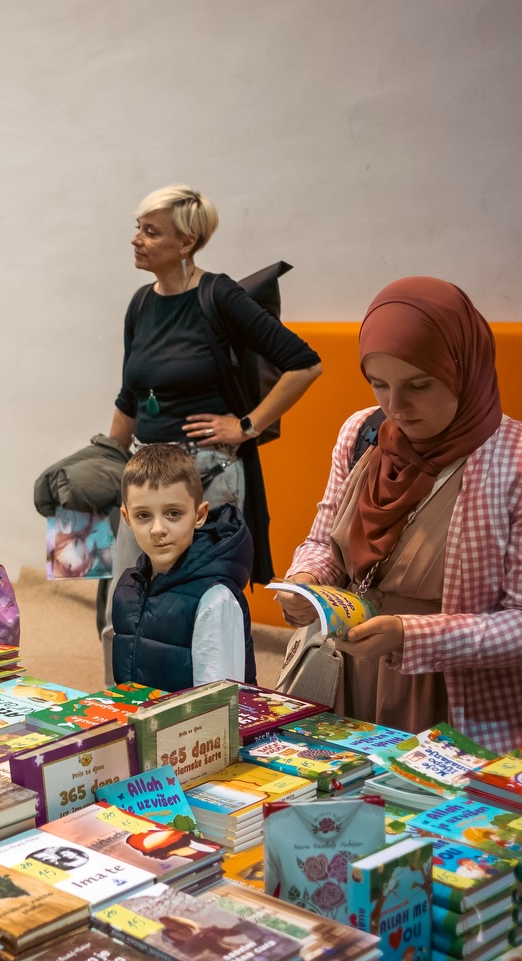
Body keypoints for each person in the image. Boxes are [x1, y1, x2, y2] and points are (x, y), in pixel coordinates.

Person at [278, 277, 521, 749]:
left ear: (464, 369)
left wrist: (412, 635)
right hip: (347, 676)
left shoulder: (511, 461)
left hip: (451, 697)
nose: (395, 406)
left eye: (419, 385)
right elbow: (324, 540)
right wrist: (306, 582)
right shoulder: (362, 434)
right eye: (379, 384)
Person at [103, 184, 322, 677]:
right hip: (145, 476)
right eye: (138, 228)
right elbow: (130, 396)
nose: (136, 239)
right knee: (125, 606)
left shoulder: (218, 295)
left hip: (207, 477)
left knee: (205, 611)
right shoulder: (140, 303)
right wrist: (108, 460)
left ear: (186, 242)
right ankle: (120, 707)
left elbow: (305, 364)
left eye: (151, 231)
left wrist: (246, 425)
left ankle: (216, 707)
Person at [110, 444, 255, 692]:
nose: (158, 529)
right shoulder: (127, 588)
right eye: (143, 515)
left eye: (173, 513)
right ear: (127, 519)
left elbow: (217, 702)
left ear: (199, 515)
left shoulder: (215, 598)